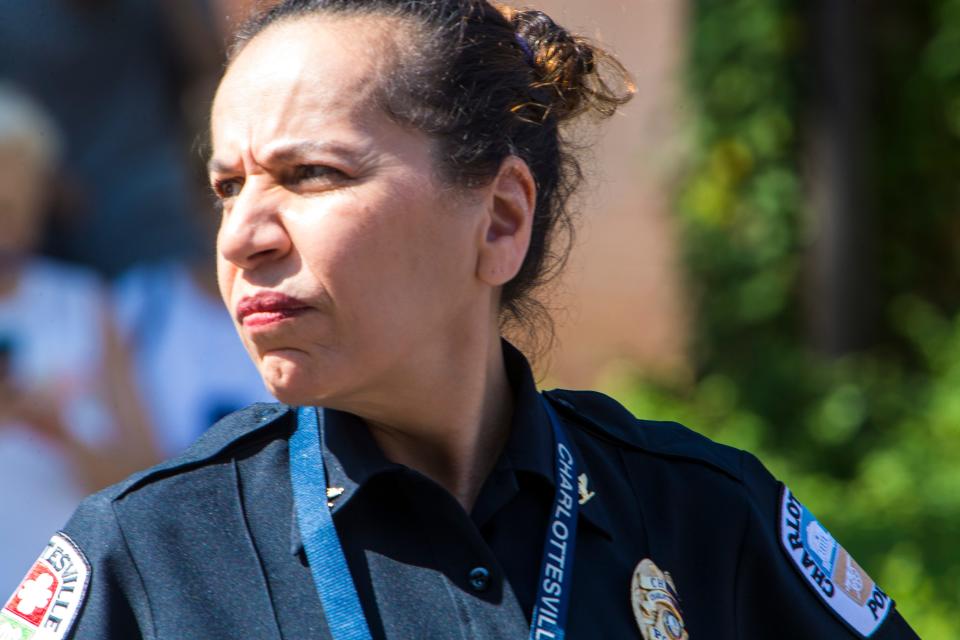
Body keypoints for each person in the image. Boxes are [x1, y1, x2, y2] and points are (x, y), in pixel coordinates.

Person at [1, 1, 919, 639]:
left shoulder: (703, 519)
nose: (242, 234)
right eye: (228, 187)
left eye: (313, 174)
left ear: (500, 218)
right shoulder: (146, 557)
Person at [0, 85, 158, 591]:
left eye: (25, 203)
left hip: (66, 592)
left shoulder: (86, 302)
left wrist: (56, 430)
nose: (14, 228)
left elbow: (145, 473)